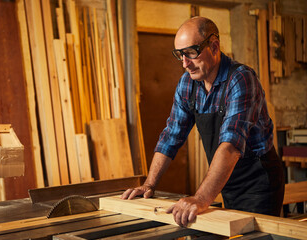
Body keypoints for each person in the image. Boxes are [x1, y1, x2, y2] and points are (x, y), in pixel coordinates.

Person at [121, 16, 284, 227]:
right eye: (180, 55)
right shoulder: (187, 84)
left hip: (259, 183)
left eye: (190, 53)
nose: (185, 63)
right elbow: (171, 135)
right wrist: (149, 184)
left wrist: (200, 199)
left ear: (214, 46)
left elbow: (231, 147)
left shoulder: (241, 79)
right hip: (227, 182)